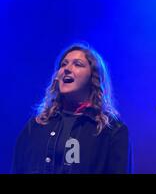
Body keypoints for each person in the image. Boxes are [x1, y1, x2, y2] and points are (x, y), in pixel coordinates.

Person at [13, 43, 132, 174]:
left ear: (93, 77)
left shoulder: (111, 131)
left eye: (78, 64)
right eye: (63, 64)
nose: (67, 69)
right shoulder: (36, 126)